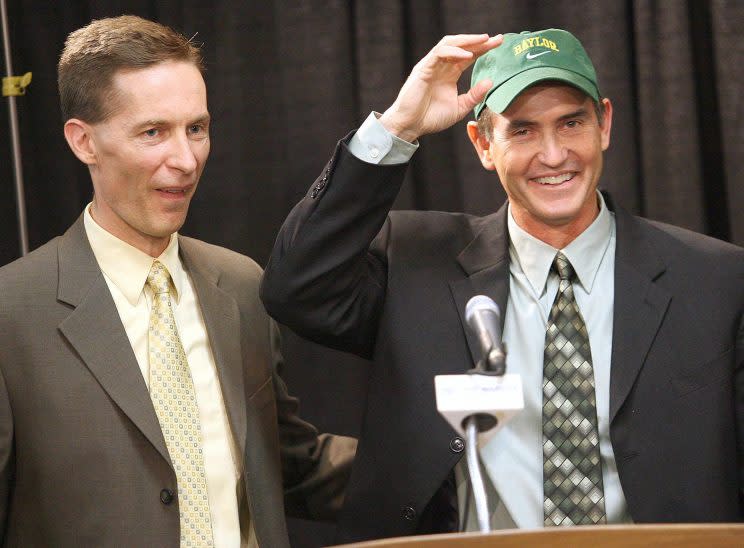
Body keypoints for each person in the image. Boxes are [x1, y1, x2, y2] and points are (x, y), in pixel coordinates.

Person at [260, 29, 744, 543]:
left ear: (604, 123)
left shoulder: (717, 280)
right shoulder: (417, 264)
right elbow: (296, 286)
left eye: (571, 122)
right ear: (483, 143)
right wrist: (397, 127)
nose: (554, 155)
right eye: (523, 131)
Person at [0, 15, 355, 547]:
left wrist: (462, 456)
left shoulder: (239, 286)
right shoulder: (11, 313)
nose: (186, 160)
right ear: (83, 142)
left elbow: (286, 464)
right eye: (152, 132)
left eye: (197, 128)